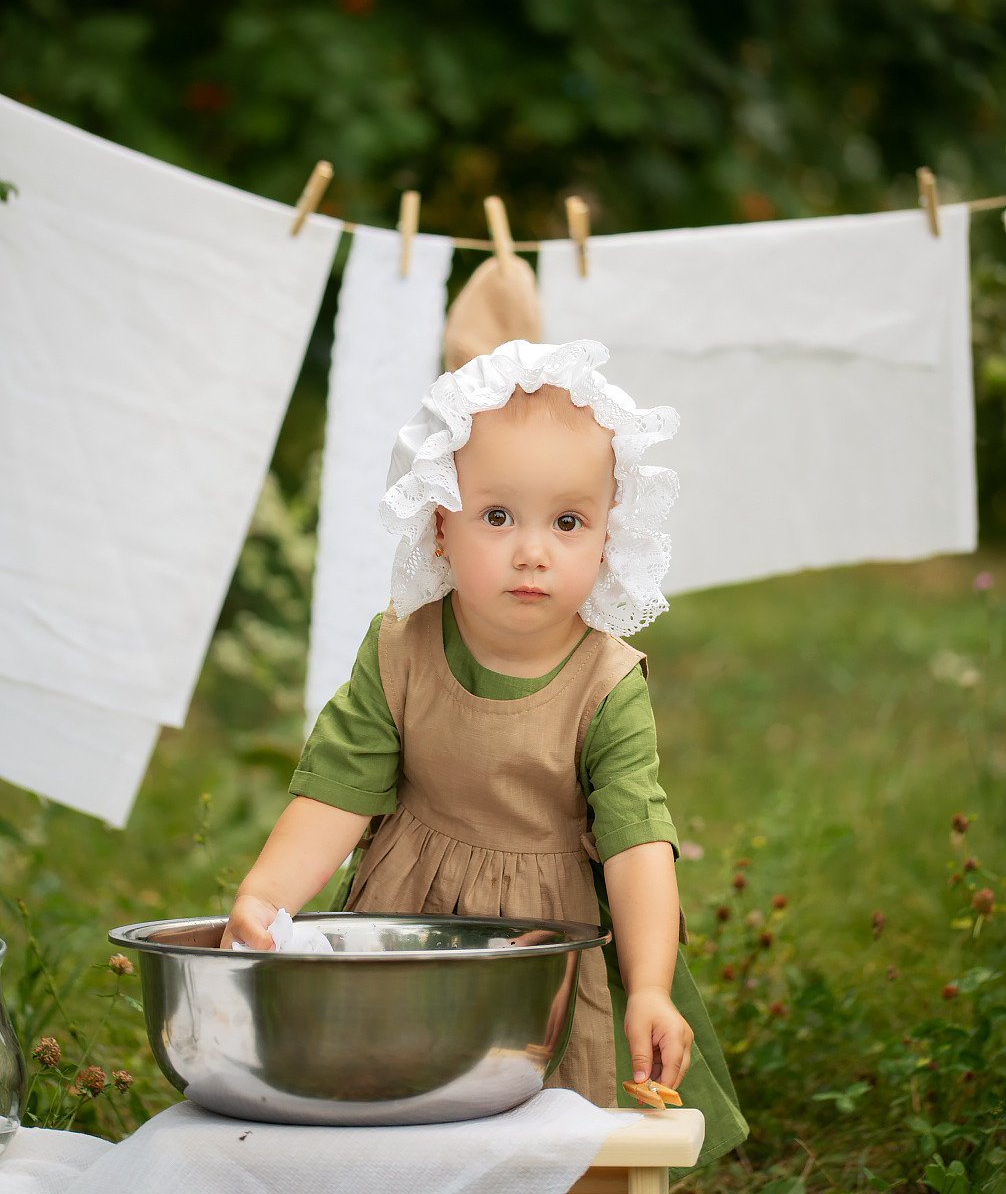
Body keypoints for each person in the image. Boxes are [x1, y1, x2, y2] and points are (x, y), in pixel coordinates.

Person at [223, 340, 747, 1165]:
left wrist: (648, 984)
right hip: (414, 916)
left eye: (567, 522)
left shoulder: (607, 683)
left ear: (610, 536)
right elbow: (336, 790)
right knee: (398, 1118)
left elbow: (637, 841)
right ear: (441, 520)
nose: (532, 551)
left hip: (549, 943)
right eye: (497, 516)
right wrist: (266, 897)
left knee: (558, 1129)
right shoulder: (400, 650)